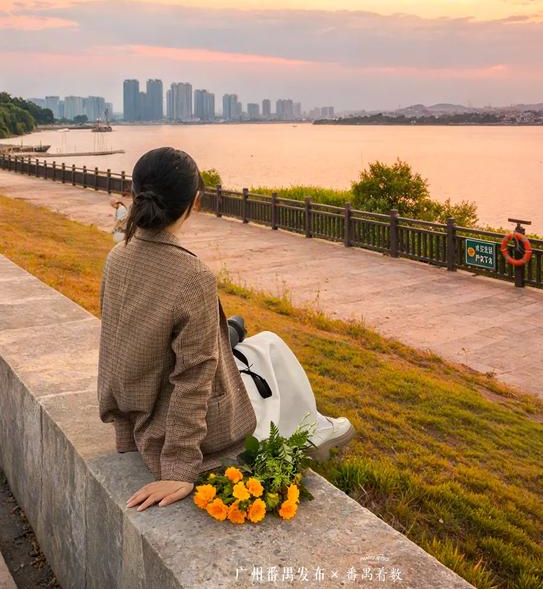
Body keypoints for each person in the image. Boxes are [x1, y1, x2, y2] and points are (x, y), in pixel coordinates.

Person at [97, 146, 355, 512]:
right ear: (196, 202)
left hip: (143, 414)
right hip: (175, 428)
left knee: (265, 343)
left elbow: (116, 351)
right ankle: (311, 430)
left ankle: (314, 425)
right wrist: (180, 469)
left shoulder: (117, 257)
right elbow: (195, 376)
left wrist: (126, 432)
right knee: (267, 358)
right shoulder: (191, 275)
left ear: (135, 194)